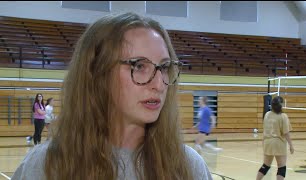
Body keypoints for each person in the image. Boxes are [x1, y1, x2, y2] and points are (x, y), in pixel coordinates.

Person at [12, 12, 213, 180]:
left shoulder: (189, 168)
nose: (159, 83)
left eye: (165, 67)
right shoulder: (45, 166)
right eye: (139, 66)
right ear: (98, 73)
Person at [256, 96, 294, 180]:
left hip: (267, 142)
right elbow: (286, 133)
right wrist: (291, 145)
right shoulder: (283, 116)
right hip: (278, 143)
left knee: (265, 166)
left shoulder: (267, 114)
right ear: (281, 105)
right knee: (281, 167)